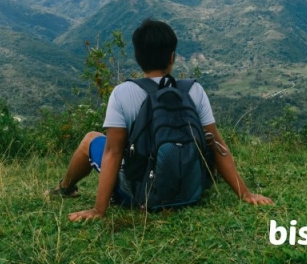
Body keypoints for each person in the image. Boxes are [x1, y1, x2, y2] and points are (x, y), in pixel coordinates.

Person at [46, 18, 273, 221]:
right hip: (189, 186)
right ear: (172, 57)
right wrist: (246, 193)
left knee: (90, 139)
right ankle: (67, 188)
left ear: (138, 58)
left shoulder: (123, 93)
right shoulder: (194, 90)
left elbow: (113, 153)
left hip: (139, 194)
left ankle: (66, 188)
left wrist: (99, 210)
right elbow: (217, 145)